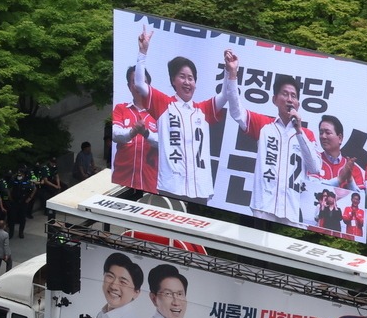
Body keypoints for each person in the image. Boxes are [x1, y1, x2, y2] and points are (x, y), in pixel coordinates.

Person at [130, 27, 237, 201]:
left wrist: (230, 71)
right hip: (171, 187)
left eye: (191, 78)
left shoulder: (203, 109)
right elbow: (140, 84)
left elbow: (226, 95)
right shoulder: (164, 103)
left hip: (200, 190)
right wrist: (143, 51)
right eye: (182, 77)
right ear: (173, 80)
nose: (187, 82)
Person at [224, 66, 323, 225]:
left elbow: (315, 167)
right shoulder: (264, 126)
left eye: (293, 96)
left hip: (293, 211)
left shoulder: (307, 134)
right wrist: (232, 74)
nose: (289, 99)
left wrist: (299, 129)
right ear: (275, 99)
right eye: (285, 94)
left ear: (298, 103)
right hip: (263, 207)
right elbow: (236, 111)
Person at [111, 68, 159, 192]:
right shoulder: (120, 109)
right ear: (129, 86)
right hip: (121, 180)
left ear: (149, 86)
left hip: (150, 182)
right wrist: (133, 132)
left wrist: (146, 133)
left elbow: (163, 143)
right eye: (134, 82)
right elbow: (115, 134)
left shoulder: (159, 113)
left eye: (143, 82)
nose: (139, 86)